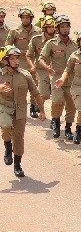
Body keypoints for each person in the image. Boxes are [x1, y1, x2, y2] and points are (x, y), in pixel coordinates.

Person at [0, 46, 47, 178]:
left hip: (20, 110)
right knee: (5, 126)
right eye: (12, 59)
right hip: (4, 108)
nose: (16, 61)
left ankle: (17, 165)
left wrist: (42, 111)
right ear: (5, 61)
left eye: (17, 58)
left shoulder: (25, 75)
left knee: (19, 138)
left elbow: (36, 93)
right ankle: (8, 147)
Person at [39, 15, 79, 140]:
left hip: (72, 79)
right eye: (62, 27)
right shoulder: (51, 44)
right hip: (57, 78)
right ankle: (56, 122)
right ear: (57, 29)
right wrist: (47, 68)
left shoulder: (75, 45)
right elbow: (41, 58)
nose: (65, 29)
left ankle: (68, 128)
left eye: (67, 26)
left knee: (71, 105)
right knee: (57, 101)